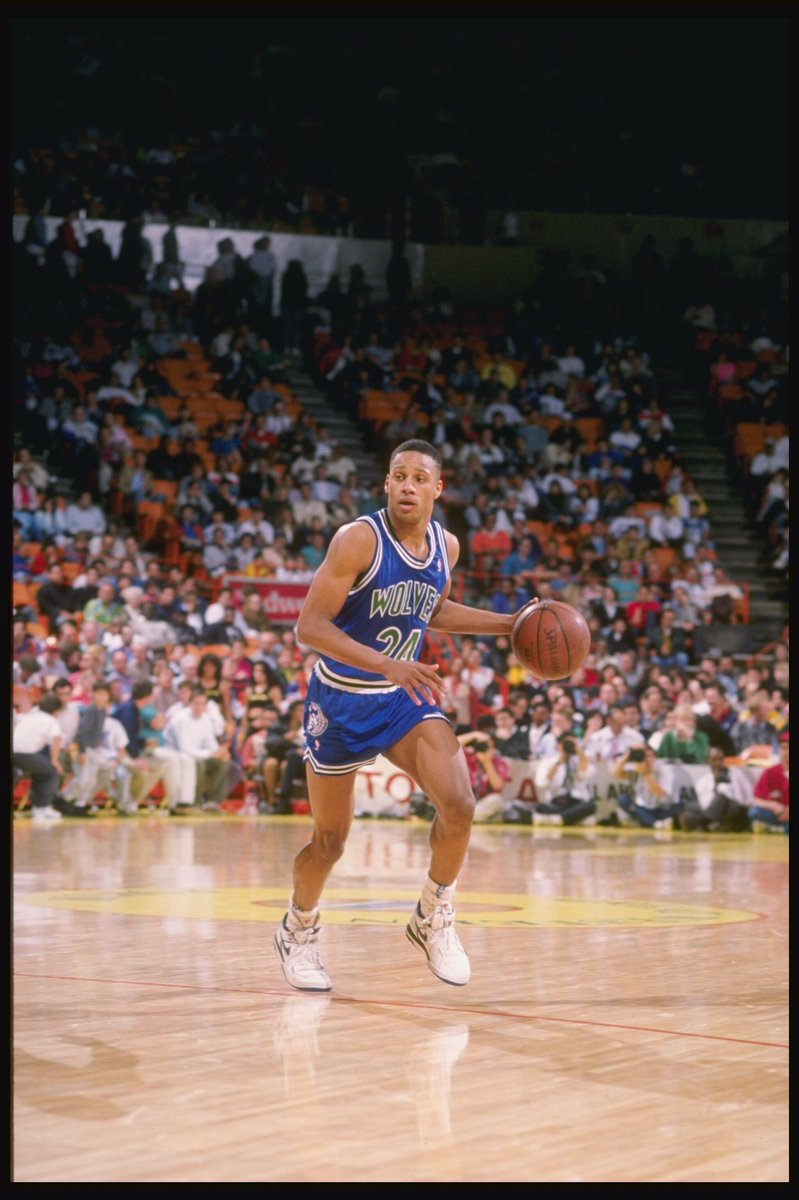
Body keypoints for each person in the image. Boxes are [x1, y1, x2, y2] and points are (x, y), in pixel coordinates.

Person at [274, 440, 537, 993]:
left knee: (460, 805)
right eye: (399, 476)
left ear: (437, 489)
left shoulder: (446, 546)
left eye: (420, 477)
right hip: (341, 701)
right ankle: (298, 928)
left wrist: (509, 623)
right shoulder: (358, 539)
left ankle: (433, 914)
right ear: (387, 485)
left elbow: (431, 608)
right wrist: (387, 663)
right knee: (330, 842)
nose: (408, 486)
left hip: (400, 697)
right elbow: (310, 627)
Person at [12, 693, 66, 823]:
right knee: (52, 771)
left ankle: (39, 806)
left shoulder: (31, 716)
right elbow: (56, 738)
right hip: (24, 754)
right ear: (56, 711)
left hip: (14, 752)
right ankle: (42, 807)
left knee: (41, 772)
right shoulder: (50, 720)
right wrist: (55, 760)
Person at [533, 732, 596, 826]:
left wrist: (579, 750)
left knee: (591, 806)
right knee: (539, 806)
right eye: (567, 743)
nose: (569, 746)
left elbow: (586, 773)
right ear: (559, 745)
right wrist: (559, 762)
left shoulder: (580, 760)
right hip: (558, 802)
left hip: (577, 802)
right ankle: (567, 818)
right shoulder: (549, 761)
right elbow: (543, 783)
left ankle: (560, 818)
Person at [748, 731, 789, 834]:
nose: (786, 752)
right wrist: (773, 805)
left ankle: (776, 828)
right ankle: (781, 828)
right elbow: (756, 799)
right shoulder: (770, 772)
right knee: (754, 812)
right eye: (783, 748)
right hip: (778, 814)